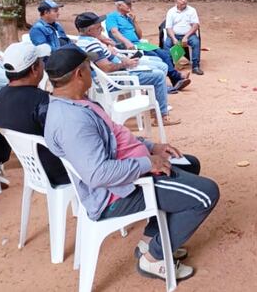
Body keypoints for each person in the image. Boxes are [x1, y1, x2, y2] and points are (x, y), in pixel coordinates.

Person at [44, 46, 219, 282]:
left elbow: (116, 138)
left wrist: (150, 147)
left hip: (129, 172)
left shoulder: (78, 103)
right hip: (118, 193)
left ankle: (152, 240)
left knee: (189, 164)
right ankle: (155, 258)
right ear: (79, 74)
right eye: (89, 67)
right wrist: (147, 164)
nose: (93, 72)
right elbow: (98, 174)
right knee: (207, 194)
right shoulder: (72, 122)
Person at [74, 12, 179, 126]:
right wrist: (125, 64)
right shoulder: (92, 45)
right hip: (114, 79)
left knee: (158, 64)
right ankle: (162, 116)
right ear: (89, 31)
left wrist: (108, 45)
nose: (101, 28)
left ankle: (156, 107)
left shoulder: (86, 41)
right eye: (98, 26)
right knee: (158, 75)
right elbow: (106, 68)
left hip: (117, 72)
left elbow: (107, 57)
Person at [0, 41, 69, 186]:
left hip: (34, 170)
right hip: (61, 171)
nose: (43, 65)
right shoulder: (44, 102)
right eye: (41, 61)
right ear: (34, 69)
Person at [105, 0, 190, 91]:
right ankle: (174, 79)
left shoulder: (128, 17)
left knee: (165, 54)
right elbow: (114, 32)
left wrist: (134, 21)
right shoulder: (112, 17)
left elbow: (139, 35)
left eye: (130, 3)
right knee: (157, 57)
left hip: (140, 44)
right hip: (129, 47)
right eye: (127, 3)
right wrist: (126, 42)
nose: (130, 5)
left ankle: (175, 79)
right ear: (119, 5)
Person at [161, 0, 203, 75]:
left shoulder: (192, 10)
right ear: (175, 1)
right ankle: (170, 67)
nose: (184, 1)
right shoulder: (171, 12)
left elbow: (195, 25)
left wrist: (186, 37)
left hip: (189, 34)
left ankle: (195, 66)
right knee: (166, 44)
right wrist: (173, 38)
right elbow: (168, 27)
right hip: (174, 35)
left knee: (196, 42)